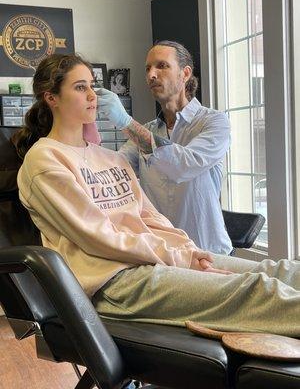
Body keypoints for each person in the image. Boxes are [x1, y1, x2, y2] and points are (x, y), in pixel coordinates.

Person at [15, 53, 300, 338]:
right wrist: (178, 259)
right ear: (51, 97)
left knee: (278, 271)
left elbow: (150, 215)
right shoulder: (45, 160)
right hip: (115, 281)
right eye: (81, 87)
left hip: (158, 259)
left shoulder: (113, 158)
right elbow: (97, 236)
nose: (93, 95)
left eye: (93, 85)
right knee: (260, 291)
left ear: (185, 74)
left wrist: (187, 253)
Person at [99, 41, 232, 255]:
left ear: (185, 73)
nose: (151, 75)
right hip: (166, 253)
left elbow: (183, 165)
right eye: (148, 68)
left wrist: (126, 122)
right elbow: (116, 166)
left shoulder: (214, 122)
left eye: (162, 66)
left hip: (208, 251)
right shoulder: (148, 130)